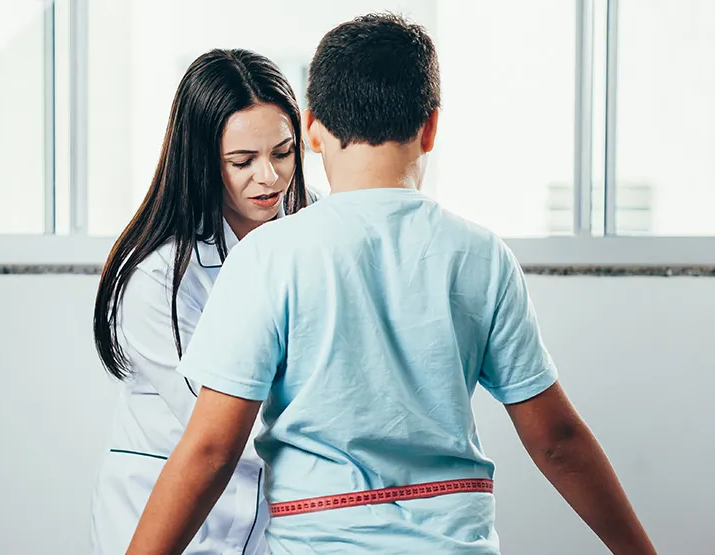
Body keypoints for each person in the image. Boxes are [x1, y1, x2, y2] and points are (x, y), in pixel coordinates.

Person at [126, 13, 658, 555]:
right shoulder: (483, 256)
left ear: (310, 129)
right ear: (430, 128)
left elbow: (211, 449)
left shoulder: (267, 258)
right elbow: (558, 442)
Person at [89, 48, 315, 555]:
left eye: (283, 153)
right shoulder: (155, 276)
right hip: (167, 514)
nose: (270, 178)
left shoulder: (313, 226)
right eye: (242, 161)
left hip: (267, 519)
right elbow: (218, 427)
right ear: (202, 161)